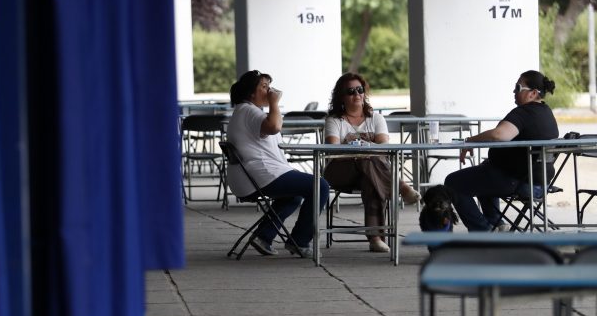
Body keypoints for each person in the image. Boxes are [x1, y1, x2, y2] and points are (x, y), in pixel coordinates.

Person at [225, 70, 329, 258]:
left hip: (251, 177)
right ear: (251, 92)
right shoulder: (249, 110)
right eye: (264, 87)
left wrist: (272, 104)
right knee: (320, 185)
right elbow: (274, 127)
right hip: (261, 174)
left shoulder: (245, 111)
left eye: (269, 86)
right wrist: (274, 102)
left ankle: (263, 236)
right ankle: (299, 241)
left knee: (294, 196)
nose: (269, 91)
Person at [444, 70, 559, 231]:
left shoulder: (524, 113)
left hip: (518, 182)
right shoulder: (547, 113)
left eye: (518, 87)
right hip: (540, 183)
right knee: (486, 169)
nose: (514, 91)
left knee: (452, 183)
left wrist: (469, 141)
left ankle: (482, 231)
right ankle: (498, 225)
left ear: (533, 93)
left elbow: (500, 135)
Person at [323, 73, 422, 253]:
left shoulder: (376, 118)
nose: (357, 94)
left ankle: (375, 239)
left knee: (371, 179)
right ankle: (402, 188)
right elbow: (333, 149)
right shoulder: (334, 120)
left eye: (360, 90)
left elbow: (384, 148)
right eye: (351, 91)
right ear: (341, 96)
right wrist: (365, 149)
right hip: (339, 171)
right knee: (369, 160)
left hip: (370, 172)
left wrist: (364, 149)